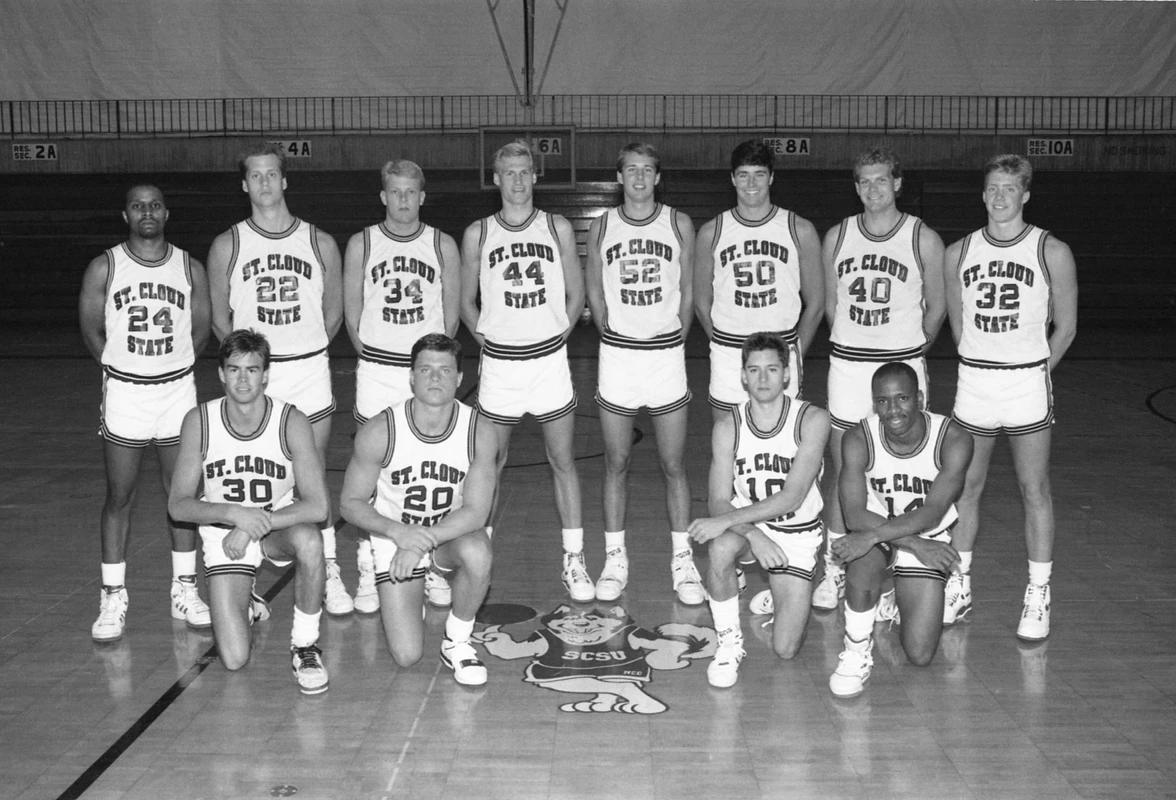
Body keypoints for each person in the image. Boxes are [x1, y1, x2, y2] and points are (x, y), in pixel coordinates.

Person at [782, 148, 948, 616]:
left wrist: (909, 350)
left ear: (897, 183)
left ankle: (899, 571)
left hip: (902, 369)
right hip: (851, 368)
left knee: (905, 474)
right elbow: (831, 303)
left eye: (881, 181)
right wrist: (858, 339)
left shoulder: (923, 238)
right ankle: (838, 565)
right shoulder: (838, 236)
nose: (873, 189)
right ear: (856, 188)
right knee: (845, 470)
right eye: (864, 182)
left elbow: (936, 307)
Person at [206, 142, 351, 615]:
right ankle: (242, 573)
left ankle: (326, 566)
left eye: (272, 174)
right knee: (249, 475)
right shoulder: (228, 244)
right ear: (244, 184)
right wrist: (250, 370)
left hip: (307, 369)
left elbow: (333, 315)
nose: (265, 182)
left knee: (314, 476)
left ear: (285, 181)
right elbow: (220, 321)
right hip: (255, 374)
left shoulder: (319, 241)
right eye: (256, 175)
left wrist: (301, 351)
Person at [943, 155, 1078, 640]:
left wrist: (1035, 373)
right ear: (983, 195)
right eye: (992, 188)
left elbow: (1066, 328)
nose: (999, 197)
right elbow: (958, 326)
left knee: (1033, 489)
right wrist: (982, 359)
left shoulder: (1051, 250)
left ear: (1025, 195)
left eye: (1009, 189)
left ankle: (1038, 594)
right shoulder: (958, 252)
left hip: (1025, 383)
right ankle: (958, 585)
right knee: (965, 489)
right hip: (975, 381)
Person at [78, 184, 212, 641]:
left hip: (176, 393)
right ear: (126, 214)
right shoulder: (105, 266)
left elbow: (201, 329)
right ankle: (112, 596)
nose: (147, 212)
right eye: (138, 206)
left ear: (166, 212)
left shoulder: (188, 266)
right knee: (119, 495)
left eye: (154, 205)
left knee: (181, 495)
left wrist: (169, 370)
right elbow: (91, 330)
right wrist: (123, 370)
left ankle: (185, 588)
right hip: (126, 395)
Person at [168, 330, 331, 695]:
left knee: (310, 541)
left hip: (276, 527)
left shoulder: (291, 421)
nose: (243, 379)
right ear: (222, 374)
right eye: (235, 369)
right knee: (235, 658)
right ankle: (248, 599)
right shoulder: (200, 421)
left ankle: (305, 646)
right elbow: (178, 505)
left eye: (252, 369)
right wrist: (235, 515)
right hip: (223, 534)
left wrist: (255, 523)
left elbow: (319, 505)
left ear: (266, 374)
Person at [459, 142, 588, 601]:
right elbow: (464, 302)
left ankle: (574, 560)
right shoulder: (478, 233)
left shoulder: (557, 226)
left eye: (524, 172)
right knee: (489, 465)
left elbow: (576, 294)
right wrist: (489, 343)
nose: (516, 180)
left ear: (535, 176)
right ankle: (480, 556)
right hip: (499, 367)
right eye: (507, 172)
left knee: (563, 461)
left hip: (549, 363)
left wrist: (559, 334)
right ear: (495, 178)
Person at [583, 142, 703, 604]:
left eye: (647, 169)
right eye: (630, 169)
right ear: (619, 177)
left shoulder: (678, 223)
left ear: (658, 177)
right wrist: (606, 324)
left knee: (674, 465)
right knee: (617, 462)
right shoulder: (602, 226)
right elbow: (594, 281)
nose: (638, 177)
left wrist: (677, 335)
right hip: (618, 357)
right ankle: (615, 558)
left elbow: (689, 287)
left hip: (664, 356)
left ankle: (683, 560)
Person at [339, 334, 496, 685]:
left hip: (448, 534)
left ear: (459, 378)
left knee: (478, 551)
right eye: (425, 369)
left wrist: (420, 541)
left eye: (444, 370)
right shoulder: (381, 430)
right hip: (394, 536)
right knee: (407, 656)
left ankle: (457, 640)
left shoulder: (479, 431)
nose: (435, 378)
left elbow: (476, 512)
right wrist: (400, 535)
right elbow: (349, 503)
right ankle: (415, 583)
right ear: (411, 376)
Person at [342, 160, 462, 613]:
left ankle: (430, 561)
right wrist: (373, 352)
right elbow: (352, 313)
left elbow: (449, 316)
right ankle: (370, 567)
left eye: (412, 192)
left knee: (429, 466)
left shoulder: (442, 244)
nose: (404, 200)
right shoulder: (362, 243)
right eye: (396, 192)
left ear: (422, 197)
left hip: (426, 372)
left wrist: (429, 365)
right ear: (383, 196)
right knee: (372, 474)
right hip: (378, 370)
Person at [687, 333, 829, 688]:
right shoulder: (728, 426)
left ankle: (784, 591)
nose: (762, 379)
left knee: (785, 649)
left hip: (797, 533)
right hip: (750, 530)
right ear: (743, 376)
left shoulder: (812, 420)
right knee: (720, 548)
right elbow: (718, 499)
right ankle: (729, 643)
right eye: (754, 370)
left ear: (786, 375)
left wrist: (731, 521)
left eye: (771, 369)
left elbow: (792, 497)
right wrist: (752, 534)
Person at [827, 362, 972, 697]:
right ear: (874, 403)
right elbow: (853, 513)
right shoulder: (858, 438)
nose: (892, 409)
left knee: (920, 655)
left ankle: (893, 593)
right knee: (861, 561)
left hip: (924, 534)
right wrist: (910, 545)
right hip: (879, 529)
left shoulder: (953, 439)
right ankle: (856, 650)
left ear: (920, 398)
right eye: (883, 401)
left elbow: (934, 512)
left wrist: (908, 542)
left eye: (902, 398)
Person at [693, 139, 823, 423]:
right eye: (743, 174)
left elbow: (816, 305)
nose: (751, 183)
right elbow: (701, 303)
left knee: (785, 449)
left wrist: (795, 353)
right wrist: (722, 343)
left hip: (782, 351)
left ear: (771, 177)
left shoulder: (799, 229)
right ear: (732, 178)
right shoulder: (711, 232)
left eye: (759, 174)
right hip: (729, 354)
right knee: (729, 447)